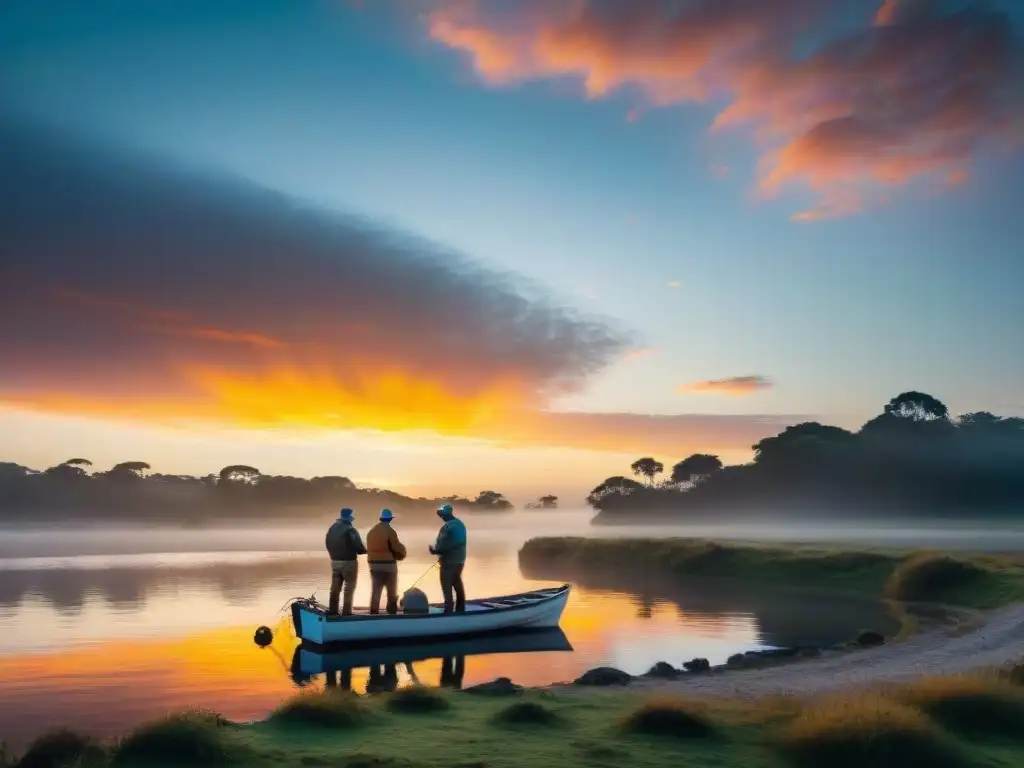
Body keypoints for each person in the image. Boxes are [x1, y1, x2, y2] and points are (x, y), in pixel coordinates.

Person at [325, 507, 366, 616]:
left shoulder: (332, 528)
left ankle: (333, 610)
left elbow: (327, 543)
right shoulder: (350, 530)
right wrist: (364, 550)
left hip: (334, 562)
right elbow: (359, 547)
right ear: (349, 517)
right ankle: (346, 613)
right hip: (349, 562)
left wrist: (333, 556)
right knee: (349, 588)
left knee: (335, 587)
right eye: (352, 516)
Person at [365, 508, 407, 615]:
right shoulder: (390, 531)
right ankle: (392, 612)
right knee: (391, 591)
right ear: (390, 519)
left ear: (381, 518)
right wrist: (403, 552)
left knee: (376, 591)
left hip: (373, 566)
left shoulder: (371, 531)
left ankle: (373, 613)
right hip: (389, 566)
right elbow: (397, 548)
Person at [429, 503, 467, 612]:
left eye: (442, 514)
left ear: (446, 514)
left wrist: (437, 551)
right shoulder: (457, 524)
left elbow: (457, 543)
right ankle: (460, 609)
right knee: (457, 584)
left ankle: (449, 611)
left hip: (449, 562)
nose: (441, 517)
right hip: (457, 561)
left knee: (447, 587)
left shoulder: (452, 526)